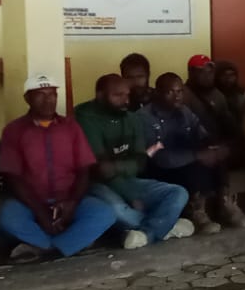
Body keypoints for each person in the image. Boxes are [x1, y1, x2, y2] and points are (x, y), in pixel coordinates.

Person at [0, 75, 119, 263]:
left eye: (52, 94)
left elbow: (84, 170)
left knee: (105, 214)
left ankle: (45, 247)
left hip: (68, 199)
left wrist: (72, 203)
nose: (48, 100)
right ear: (27, 98)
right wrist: (40, 212)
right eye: (41, 95)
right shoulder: (14, 130)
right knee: (7, 217)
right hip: (31, 203)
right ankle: (69, 244)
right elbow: (13, 177)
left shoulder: (71, 127)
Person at [75, 74, 192, 250]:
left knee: (178, 192)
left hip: (128, 181)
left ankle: (147, 233)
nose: (126, 101)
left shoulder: (131, 119)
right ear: (100, 96)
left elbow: (140, 162)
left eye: (127, 95)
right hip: (96, 185)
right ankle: (166, 226)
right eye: (118, 95)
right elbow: (99, 170)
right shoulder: (85, 118)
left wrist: (119, 172)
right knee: (116, 209)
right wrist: (130, 192)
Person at [144, 72, 245, 231]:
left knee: (215, 155)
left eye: (180, 91)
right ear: (157, 93)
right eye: (170, 92)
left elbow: (201, 133)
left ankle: (224, 201)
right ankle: (196, 210)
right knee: (195, 164)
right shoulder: (146, 117)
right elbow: (158, 157)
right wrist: (197, 155)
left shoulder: (184, 111)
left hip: (185, 157)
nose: (177, 96)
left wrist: (215, 148)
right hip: (158, 167)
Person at [181, 55, 240, 145]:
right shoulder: (182, 95)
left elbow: (228, 124)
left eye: (211, 71)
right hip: (194, 148)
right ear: (191, 72)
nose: (208, 75)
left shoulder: (218, 95)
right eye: (203, 71)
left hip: (218, 146)